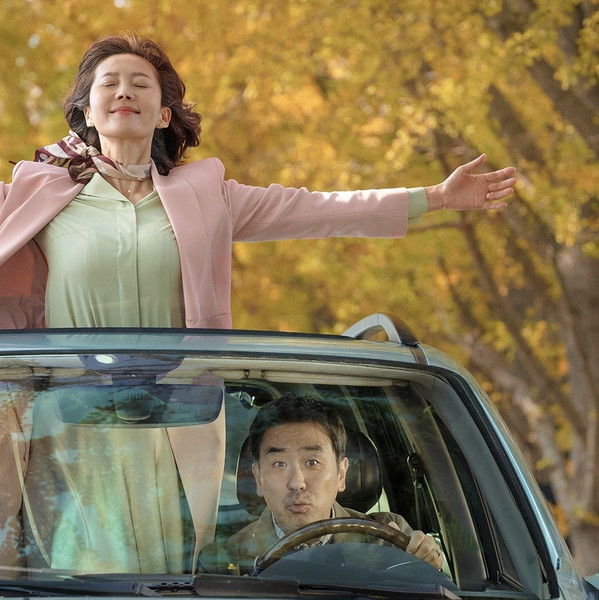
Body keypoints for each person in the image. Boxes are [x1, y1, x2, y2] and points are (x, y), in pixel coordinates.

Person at [0, 32, 514, 573]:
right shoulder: (33, 192)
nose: (124, 91)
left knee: (170, 569)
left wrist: (434, 198)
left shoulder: (207, 193)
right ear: (87, 111)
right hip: (72, 424)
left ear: (164, 114)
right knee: (85, 568)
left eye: (140, 83)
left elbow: (317, 211)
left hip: (178, 421)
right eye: (109, 83)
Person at [198, 394, 444, 575]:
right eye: (279, 464)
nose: (297, 483)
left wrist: (426, 570)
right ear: (258, 478)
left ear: (341, 474)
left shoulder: (389, 542)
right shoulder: (223, 563)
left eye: (312, 462)